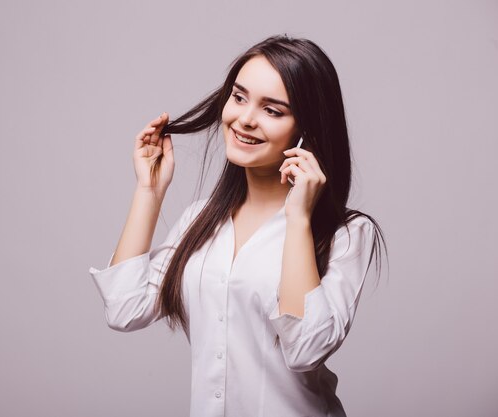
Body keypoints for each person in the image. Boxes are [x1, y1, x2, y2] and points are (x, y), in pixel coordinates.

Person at [88, 34, 387, 417]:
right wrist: (149, 190)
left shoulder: (346, 234)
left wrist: (298, 219)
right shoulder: (200, 220)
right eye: (239, 97)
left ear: (307, 130)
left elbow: (306, 350)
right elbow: (124, 308)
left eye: (273, 110)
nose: (244, 118)